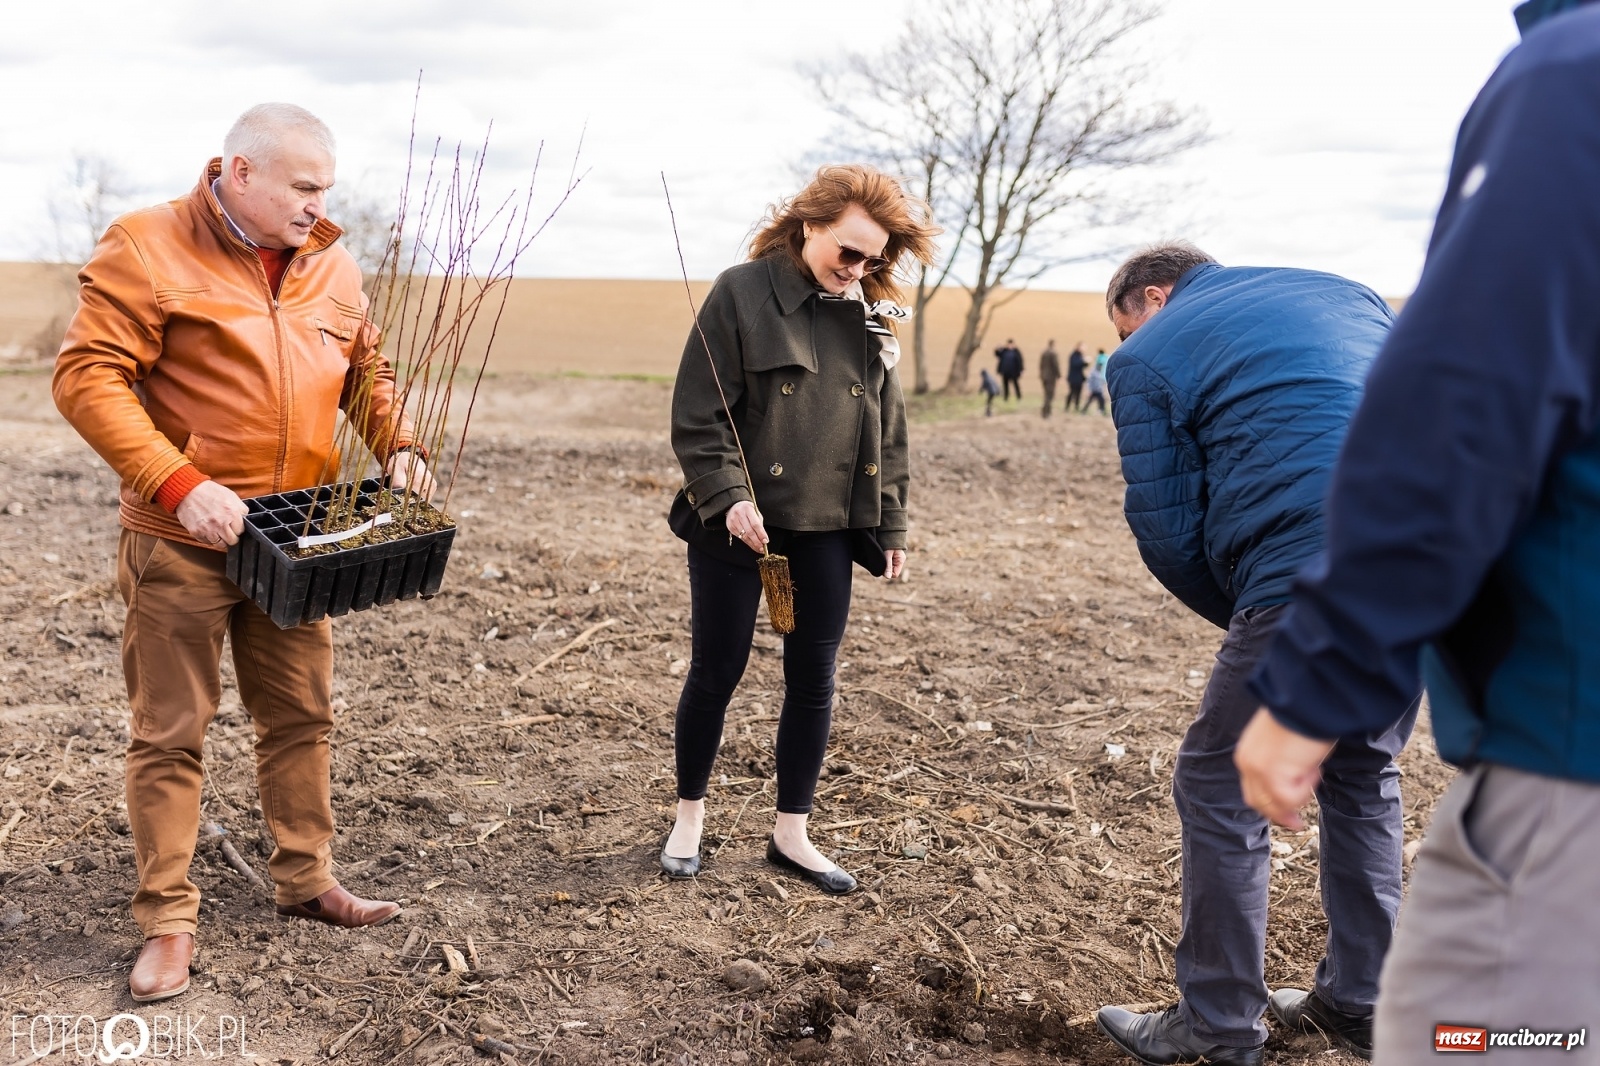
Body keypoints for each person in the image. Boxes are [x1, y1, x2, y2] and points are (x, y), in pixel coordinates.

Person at [1236, 3, 1600, 1061]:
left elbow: (1462, 401)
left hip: (1568, 753)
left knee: (1472, 1034)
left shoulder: (1572, 75)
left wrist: (1319, 677)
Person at [51, 104, 430, 1003]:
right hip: (181, 539)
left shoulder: (331, 262)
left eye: (326, 189)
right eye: (304, 187)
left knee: (302, 715)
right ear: (241, 172)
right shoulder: (146, 246)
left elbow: (364, 368)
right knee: (171, 733)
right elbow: (86, 377)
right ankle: (168, 923)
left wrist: (399, 439)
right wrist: (180, 484)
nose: (318, 206)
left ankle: (305, 880)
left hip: (298, 535)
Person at [1093, 242, 1411, 1066]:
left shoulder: (1148, 355)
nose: (1125, 345)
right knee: (1361, 768)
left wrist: (1252, 616)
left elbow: (1166, 533)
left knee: (1220, 781)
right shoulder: (1351, 295)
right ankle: (1363, 1002)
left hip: (1305, 569)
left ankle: (1218, 1023)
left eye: (1124, 327)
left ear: (1152, 298)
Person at [663, 164, 938, 896]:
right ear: (808, 224)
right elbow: (698, 415)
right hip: (737, 524)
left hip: (827, 527)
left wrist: (893, 522)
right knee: (715, 671)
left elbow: (891, 428)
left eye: (873, 259)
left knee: (813, 680)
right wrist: (727, 498)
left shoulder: (872, 317)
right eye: (848, 252)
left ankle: (792, 831)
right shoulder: (741, 293)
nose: (858, 269)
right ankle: (689, 816)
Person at [1039, 339, 1061, 418]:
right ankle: (1047, 412)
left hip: (1044, 376)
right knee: (1050, 394)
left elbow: (1041, 365)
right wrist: (1059, 375)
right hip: (1051, 377)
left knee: (1046, 394)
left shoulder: (1044, 353)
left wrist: (1041, 374)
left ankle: (1045, 410)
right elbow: (1055, 365)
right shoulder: (1053, 354)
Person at [1066, 343, 1087, 412]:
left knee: (1078, 394)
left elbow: (1081, 366)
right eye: (1082, 347)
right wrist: (1083, 362)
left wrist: (1086, 363)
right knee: (1072, 393)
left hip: (1079, 378)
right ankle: (1067, 406)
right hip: (1073, 378)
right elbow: (1075, 364)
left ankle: (1076, 407)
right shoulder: (1073, 355)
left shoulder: (1080, 355)